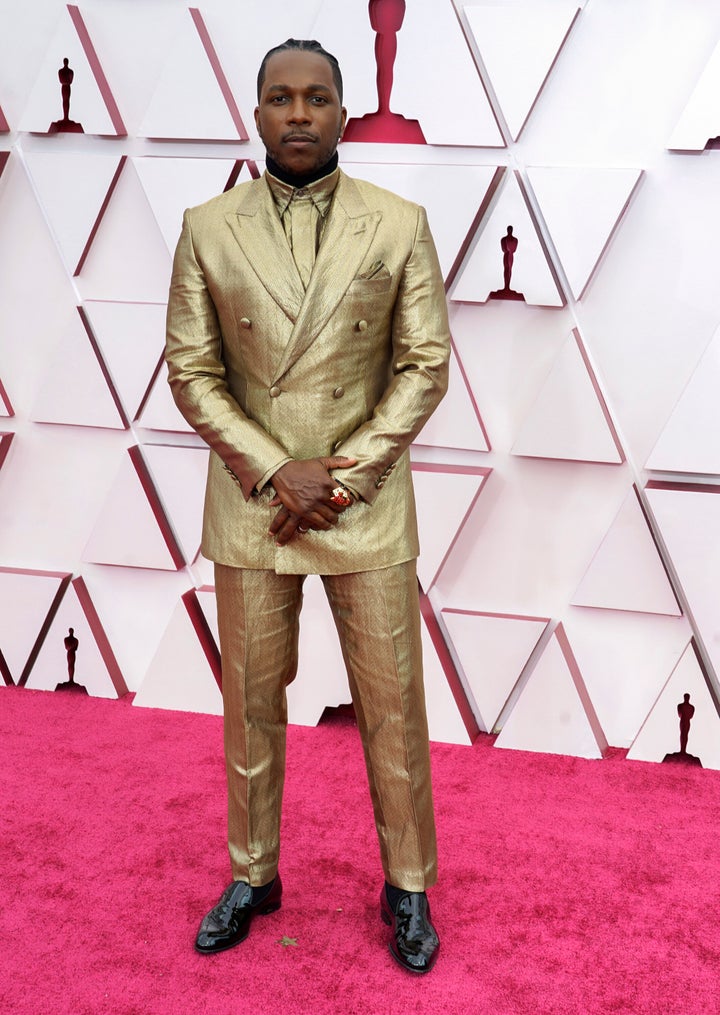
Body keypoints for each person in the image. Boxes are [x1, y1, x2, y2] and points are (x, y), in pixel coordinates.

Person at [165, 38, 450, 974]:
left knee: (393, 705)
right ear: (255, 112)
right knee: (249, 703)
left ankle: (406, 884)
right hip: (255, 506)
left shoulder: (398, 222)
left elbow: (423, 366)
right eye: (280, 98)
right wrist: (272, 469)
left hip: (360, 506)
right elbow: (193, 372)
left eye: (317, 98)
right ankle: (254, 874)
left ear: (342, 112)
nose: (299, 114)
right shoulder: (208, 226)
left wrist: (340, 474)